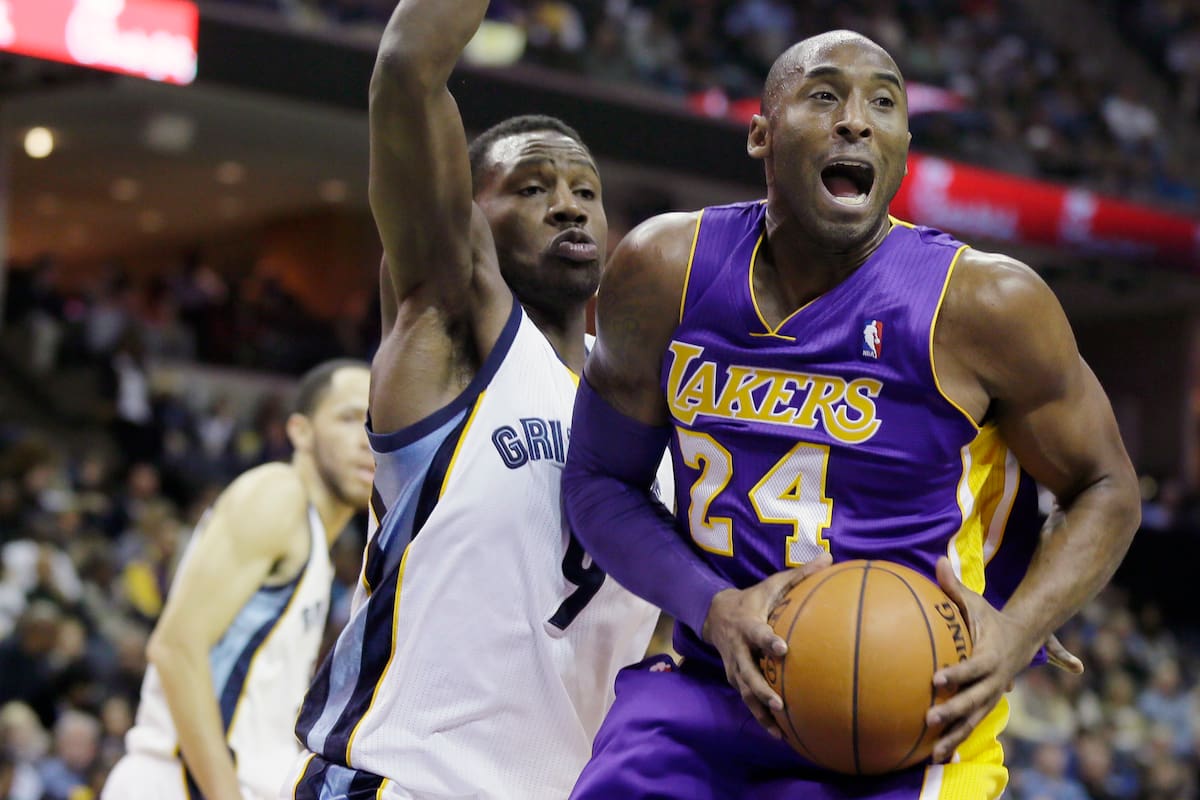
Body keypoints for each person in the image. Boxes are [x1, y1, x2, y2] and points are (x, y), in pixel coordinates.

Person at [562, 29, 1141, 800]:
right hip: (716, 681)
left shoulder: (986, 304)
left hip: (914, 710)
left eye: (884, 104)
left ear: (902, 148)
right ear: (762, 135)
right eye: (826, 94)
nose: (857, 121)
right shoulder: (662, 269)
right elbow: (599, 481)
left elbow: (1106, 486)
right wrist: (711, 606)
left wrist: (1018, 628)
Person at [284, 2, 671, 799]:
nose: (568, 205)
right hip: (405, 783)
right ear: (471, 218)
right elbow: (407, 70)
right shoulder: (451, 329)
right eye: (531, 188)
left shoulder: (653, 422)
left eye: (585, 190)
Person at [101, 359, 373, 800]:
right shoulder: (278, 493)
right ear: (300, 431)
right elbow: (175, 647)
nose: (367, 438)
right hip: (180, 784)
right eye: (348, 418)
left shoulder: (317, 548)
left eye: (377, 423)